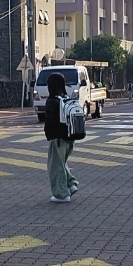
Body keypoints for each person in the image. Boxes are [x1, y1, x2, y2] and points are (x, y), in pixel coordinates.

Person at [43, 72, 78, 203]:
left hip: (57, 138)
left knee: (55, 166)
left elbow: (50, 121)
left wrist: (48, 134)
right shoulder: (65, 98)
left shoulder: (52, 101)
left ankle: (62, 194)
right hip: (70, 137)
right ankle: (71, 184)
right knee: (61, 163)